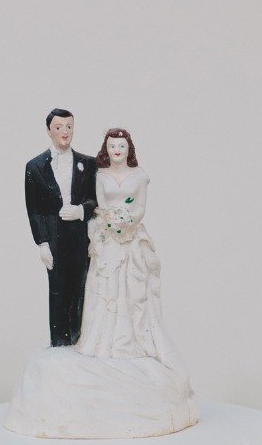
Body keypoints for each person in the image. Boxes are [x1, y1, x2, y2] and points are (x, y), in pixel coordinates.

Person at [76, 127, 189, 381]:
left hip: (131, 236)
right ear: (106, 149)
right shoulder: (100, 174)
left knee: (133, 286)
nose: (117, 151)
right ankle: (102, 341)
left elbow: (140, 208)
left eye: (121, 147)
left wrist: (127, 222)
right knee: (105, 282)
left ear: (129, 149)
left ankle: (131, 340)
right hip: (108, 236)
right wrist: (110, 222)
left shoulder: (139, 176)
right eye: (112, 146)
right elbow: (102, 205)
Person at [24, 109, 97, 346]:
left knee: (79, 287)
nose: (64, 132)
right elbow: (33, 208)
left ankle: (77, 340)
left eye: (69, 127)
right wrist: (42, 243)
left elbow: (95, 199)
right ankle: (58, 343)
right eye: (58, 127)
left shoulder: (88, 163)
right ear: (49, 131)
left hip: (79, 236)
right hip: (54, 237)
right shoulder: (34, 166)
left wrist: (81, 211)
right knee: (57, 289)